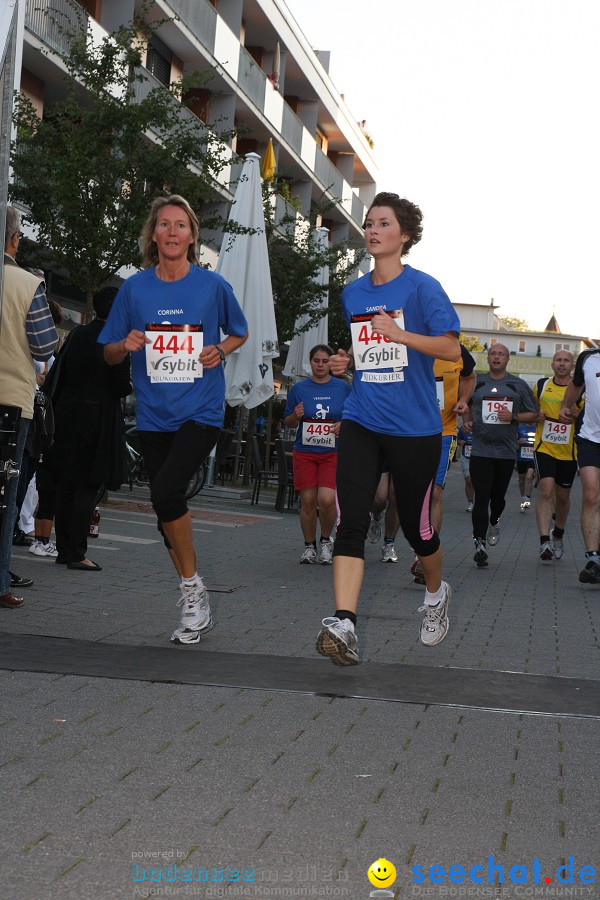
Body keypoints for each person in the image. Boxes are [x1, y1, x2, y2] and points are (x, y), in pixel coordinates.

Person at [315, 192, 461, 665]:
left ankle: (436, 594)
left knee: (418, 531)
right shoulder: (353, 293)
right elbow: (366, 353)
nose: (372, 230)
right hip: (361, 418)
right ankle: (345, 623)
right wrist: (345, 361)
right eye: (368, 223)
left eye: (383, 223)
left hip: (415, 428)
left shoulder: (423, 289)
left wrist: (400, 334)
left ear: (405, 235)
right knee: (349, 518)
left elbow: (451, 350)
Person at [99, 195, 248, 643]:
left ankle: (190, 590)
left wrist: (219, 350)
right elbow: (107, 353)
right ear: (154, 234)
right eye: (163, 225)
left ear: (192, 236)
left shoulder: (212, 286)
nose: (171, 233)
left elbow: (239, 331)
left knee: (165, 492)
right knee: (165, 506)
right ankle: (193, 590)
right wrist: (123, 346)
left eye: (180, 225)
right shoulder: (135, 289)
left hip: (201, 409)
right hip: (152, 415)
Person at [46, 287, 132, 570]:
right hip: (96, 420)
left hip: (66, 415)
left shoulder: (78, 334)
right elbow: (119, 387)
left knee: (67, 484)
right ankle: (76, 553)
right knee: (87, 486)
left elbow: (62, 370)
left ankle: (62, 549)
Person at [0, 207, 58, 608]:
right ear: (14, 239)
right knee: (5, 496)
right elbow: (45, 347)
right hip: (10, 401)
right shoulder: (26, 283)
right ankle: (0, 581)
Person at [463, 344, 538, 568]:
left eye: (501, 354)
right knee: (481, 497)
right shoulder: (477, 381)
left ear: (507, 359)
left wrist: (513, 416)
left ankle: (494, 521)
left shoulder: (518, 384)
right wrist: (467, 419)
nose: (496, 357)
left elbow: (533, 414)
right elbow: (464, 404)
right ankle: (479, 543)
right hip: (480, 449)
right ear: (488, 358)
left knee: (497, 499)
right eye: (493, 354)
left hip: (505, 452)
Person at [410, 344, 476, 583]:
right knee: (409, 494)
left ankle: (426, 556)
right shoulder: (411, 344)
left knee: (435, 493)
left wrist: (464, 399)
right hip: (410, 431)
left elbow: (470, 376)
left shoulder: (457, 351)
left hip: (443, 432)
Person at [284, 345, 351, 564]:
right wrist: (295, 415)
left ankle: (325, 541)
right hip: (305, 451)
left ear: (330, 364)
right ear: (310, 362)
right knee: (308, 501)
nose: (320, 365)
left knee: (327, 499)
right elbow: (288, 422)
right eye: (316, 361)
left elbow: (353, 414)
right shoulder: (299, 388)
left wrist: (344, 424)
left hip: (332, 452)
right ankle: (309, 546)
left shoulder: (343, 387)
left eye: (324, 361)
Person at [534, 351, 583, 562]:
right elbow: (531, 411)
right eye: (558, 360)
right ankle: (544, 541)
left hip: (569, 450)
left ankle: (558, 533)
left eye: (566, 361)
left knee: (562, 497)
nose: (562, 364)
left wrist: (574, 415)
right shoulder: (542, 385)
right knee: (545, 489)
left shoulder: (580, 389)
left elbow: (587, 418)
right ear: (552, 364)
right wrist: (536, 415)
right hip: (544, 446)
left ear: (572, 366)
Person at [559, 348, 600, 583]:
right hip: (590, 438)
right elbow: (576, 385)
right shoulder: (588, 358)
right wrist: (566, 405)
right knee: (591, 495)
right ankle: (593, 560)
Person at [516, 422, 536, 511]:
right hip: (521, 458)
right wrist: (518, 442)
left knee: (529, 477)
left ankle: (527, 499)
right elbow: (513, 444)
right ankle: (523, 497)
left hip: (532, 458)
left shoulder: (538, 428)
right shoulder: (520, 428)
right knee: (521, 481)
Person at [457, 424, 474, 511]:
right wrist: (460, 442)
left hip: (477, 458)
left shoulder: (480, 426)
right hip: (465, 457)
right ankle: (470, 502)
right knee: (468, 480)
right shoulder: (463, 427)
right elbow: (457, 440)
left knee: (477, 482)